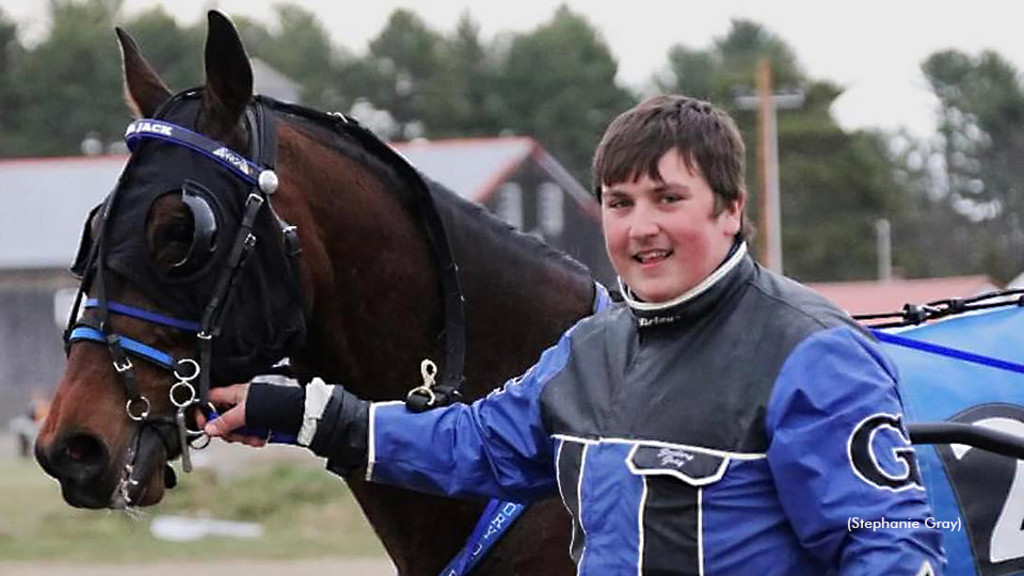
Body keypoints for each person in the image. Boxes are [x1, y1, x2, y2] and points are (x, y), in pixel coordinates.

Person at [205, 95, 946, 575]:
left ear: (730, 211)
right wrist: (305, 414)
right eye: (620, 202)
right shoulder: (590, 350)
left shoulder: (815, 354)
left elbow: (888, 549)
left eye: (668, 198)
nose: (641, 226)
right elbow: (473, 447)